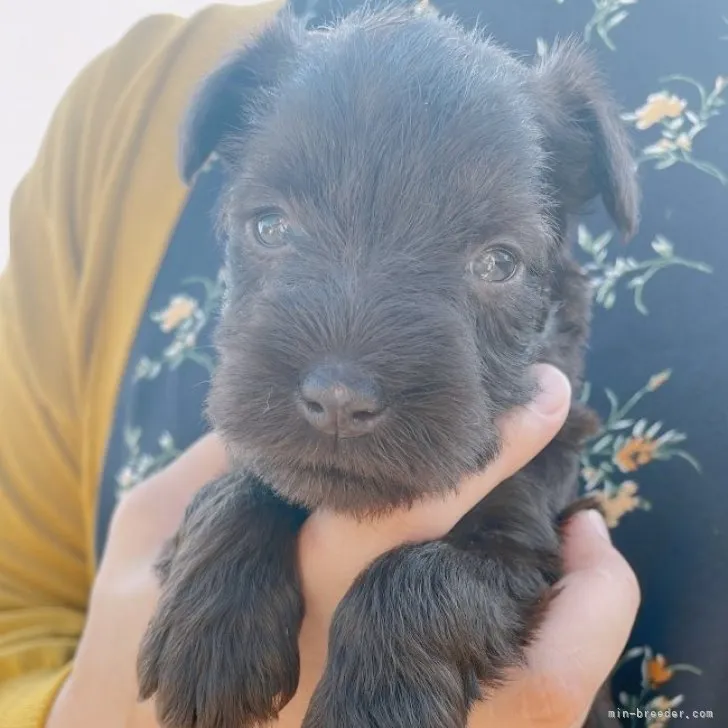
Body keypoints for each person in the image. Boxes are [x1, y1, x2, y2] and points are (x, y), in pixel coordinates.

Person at [0, 0, 725, 726]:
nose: (341, 386)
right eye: (272, 226)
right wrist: (89, 710)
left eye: (494, 260)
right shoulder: (133, 99)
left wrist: (417, 629)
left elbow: (513, 560)